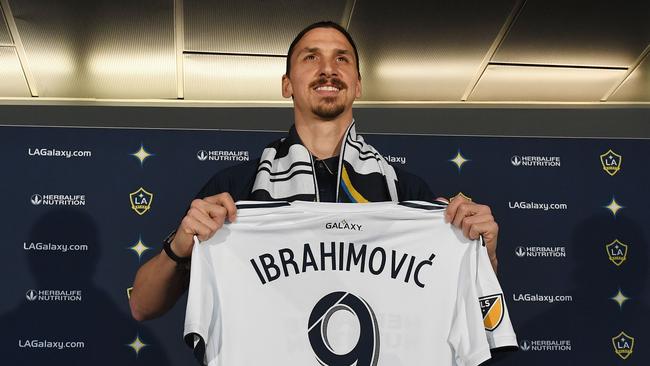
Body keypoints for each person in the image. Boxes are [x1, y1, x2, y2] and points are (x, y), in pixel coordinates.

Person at [129, 21, 500, 322]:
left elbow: (472, 315)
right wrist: (179, 246)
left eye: (342, 59)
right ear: (286, 84)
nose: (327, 69)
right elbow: (142, 306)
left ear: (357, 85)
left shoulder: (407, 193)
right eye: (311, 58)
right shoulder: (235, 189)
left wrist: (482, 258)